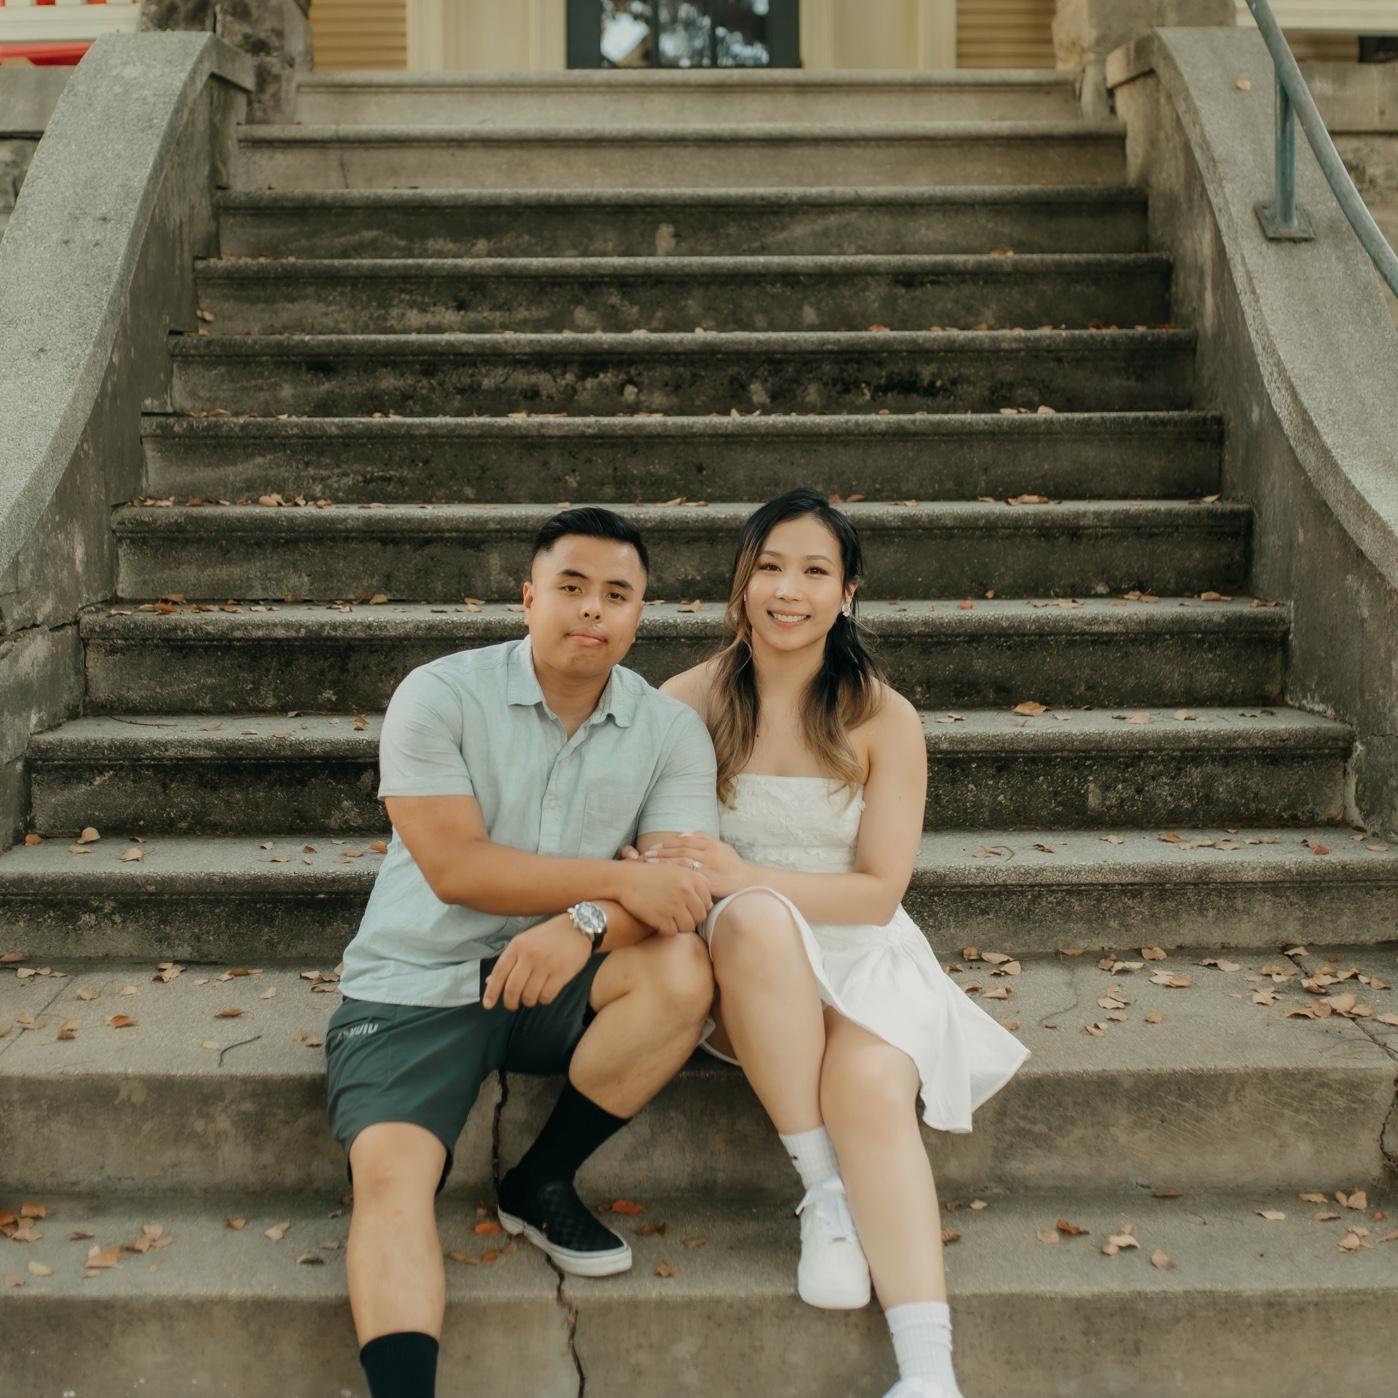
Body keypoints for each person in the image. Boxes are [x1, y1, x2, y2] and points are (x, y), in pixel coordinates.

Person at [638, 488, 1031, 1398]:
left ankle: (928, 1376)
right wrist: (716, 881)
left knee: (869, 1084)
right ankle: (825, 1191)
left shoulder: (883, 716)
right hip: (745, 968)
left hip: (861, 953)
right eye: (770, 568)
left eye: (815, 571)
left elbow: (878, 892)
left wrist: (744, 871)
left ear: (847, 592)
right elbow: (662, 857)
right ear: (742, 582)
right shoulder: (685, 701)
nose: (789, 591)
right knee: (757, 919)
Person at [325, 507, 720, 1398]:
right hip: (420, 977)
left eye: (617, 594)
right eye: (571, 587)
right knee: (390, 1179)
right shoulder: (440, 693)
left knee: (682, 968)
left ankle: (540, 1180)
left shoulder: (669, 730)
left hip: (564, 981)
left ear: (640, 614)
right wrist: (609, 888)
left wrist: (581, 926)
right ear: (530, 596)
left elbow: (677, 896)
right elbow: (458, 868)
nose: (593, 609)